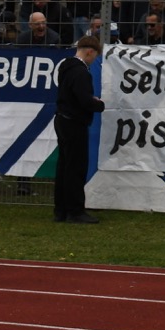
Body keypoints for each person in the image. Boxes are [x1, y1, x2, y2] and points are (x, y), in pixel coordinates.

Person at [54, 35, 106, 224]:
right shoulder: (82, 73)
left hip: (61, 118)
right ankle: (75, 211)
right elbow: (84, 100)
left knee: (64, 167)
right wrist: (98, 104)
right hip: (74, 122)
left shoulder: (65, 67)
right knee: (76, 168)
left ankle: (61, 209)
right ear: (90, 52)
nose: (93, 61)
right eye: (94, 57)